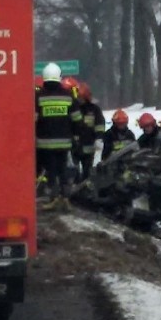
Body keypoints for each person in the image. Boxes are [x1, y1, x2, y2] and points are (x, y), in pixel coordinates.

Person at [36, 62, 82, 210]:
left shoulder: (38, 96)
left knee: (51, 171)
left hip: (44, 143)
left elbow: (33, 119)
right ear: (59, 78)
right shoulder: (68, 96)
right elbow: (77, 119)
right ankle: (65, 198)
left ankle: (53, 198)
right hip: (64, 143)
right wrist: (76, 136)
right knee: (63, 170)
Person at [75, 82, 106, 182]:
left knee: (87, 172)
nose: (80, 100)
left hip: (89, 146)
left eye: (82, 98)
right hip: (75, 146)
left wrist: (99, 138)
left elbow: (100, 125)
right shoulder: (74, 108)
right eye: (79, 98)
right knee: (73, 172)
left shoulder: (94, 109)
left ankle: (85, 189)